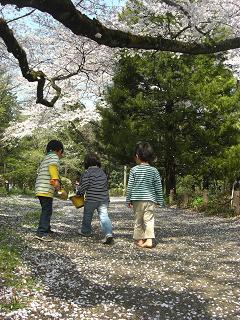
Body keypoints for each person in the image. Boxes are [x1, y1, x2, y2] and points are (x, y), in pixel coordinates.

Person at [126, 142, 164, 248]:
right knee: (149, 220)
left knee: (138, 220)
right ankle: (149, 240)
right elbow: (158, 187)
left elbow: (130, 187)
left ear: (137, 156)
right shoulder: (154, 171)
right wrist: (160, 200)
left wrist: (128, 200)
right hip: (150, 200)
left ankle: (139, 240)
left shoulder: (134, 170)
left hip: (137, 199)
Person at [76, 153, 113, 245]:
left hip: (91, 199)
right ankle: (108, 233)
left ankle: (86, 231)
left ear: (86, 163)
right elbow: (105, 185)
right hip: (103, 199)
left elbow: (85, 185)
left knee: (87, 215)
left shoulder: (87, 172)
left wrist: (79, 192)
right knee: (104, 216)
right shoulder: (102, 172)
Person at [35, 140, 64, 242]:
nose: (61, 156)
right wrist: (56, 183)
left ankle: (46, 228)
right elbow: (52, 169)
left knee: (47, 209)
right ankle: (41, 232)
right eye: (61, 153)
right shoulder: (54, 157)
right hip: (45, 189)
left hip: (40, 188)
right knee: (46, 211)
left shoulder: (46, 157)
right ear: (59, 151)